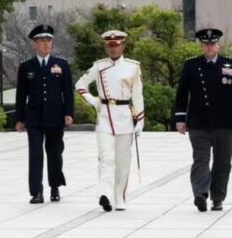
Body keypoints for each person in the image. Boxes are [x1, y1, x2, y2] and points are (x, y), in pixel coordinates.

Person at [174, 27, 232, 212]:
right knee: (201, 159)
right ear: (201, 46)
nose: (209, 47)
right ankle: (201, 194)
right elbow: (182, 94)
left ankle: (217, 197)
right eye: (206, 44)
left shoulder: (230, 65)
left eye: (212, 44)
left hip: (223, 121)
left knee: (223, 161)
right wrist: (180, 118)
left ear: (218, 45)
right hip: (199, 121)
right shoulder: (191, 66)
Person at [75, 30, 144, 212]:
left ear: (123, 46)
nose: (113, 49)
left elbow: (137, 95)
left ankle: (120, 197)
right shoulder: (98, 66)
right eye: (109, 46)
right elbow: (80, 84)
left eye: (116, 45)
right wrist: (93, 101)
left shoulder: (133, 67)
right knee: (106, 157)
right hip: (104, 115)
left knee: (123, 160)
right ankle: (104, 193)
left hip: (124, 115)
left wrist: (140, 119)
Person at [15, 24, 74, 203]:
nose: (46, 44)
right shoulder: (27, 66)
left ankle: (55, 187)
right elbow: (21, 95)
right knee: (35, 154)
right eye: (42, 41)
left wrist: (69, 113)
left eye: (49, 40)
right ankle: (36, 192)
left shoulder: (61, 64)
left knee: (55, 152)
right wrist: (20, 119)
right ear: (35, 44)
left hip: (55, 116)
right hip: (34, 118)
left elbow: (68, 92)